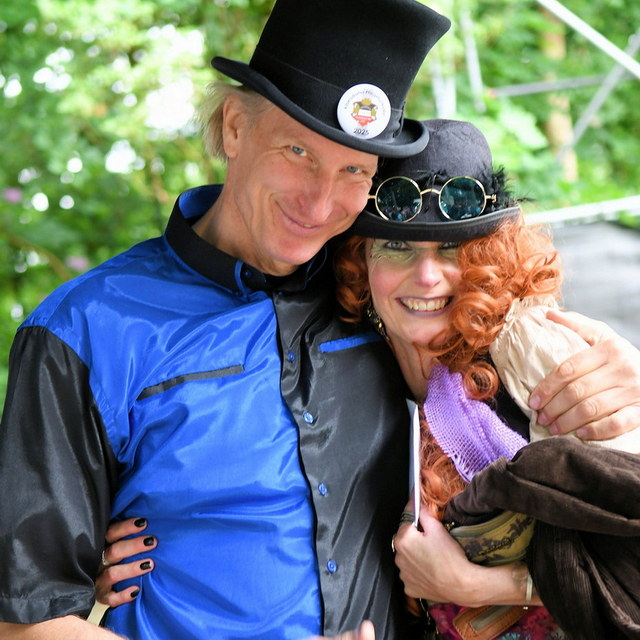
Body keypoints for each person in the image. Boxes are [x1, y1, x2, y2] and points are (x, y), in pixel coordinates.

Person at [0, 1, 453, 638]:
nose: (320, 202)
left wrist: (599, 369)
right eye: (298, 151)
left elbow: (514, 362)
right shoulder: (86, 328)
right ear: (235, 127)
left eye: (354, 169)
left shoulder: (383, 295)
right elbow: (27, 621)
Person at [334, 118, 640, 638]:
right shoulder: (356, 366)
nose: (426, 276)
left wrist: (479, 586)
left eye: (451, 249)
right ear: (361, 261)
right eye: (397, 246)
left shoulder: (528, 346)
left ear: (490, 259)